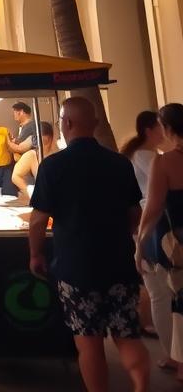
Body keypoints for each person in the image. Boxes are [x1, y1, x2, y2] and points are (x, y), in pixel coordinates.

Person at [30, 97, 147, 392]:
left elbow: (37, 221)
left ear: (66, 124)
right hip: (120, 264)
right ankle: (141, 386)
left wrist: (36, 254)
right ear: (94, 124)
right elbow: (135, 214)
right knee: (128, 336)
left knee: (89, 343)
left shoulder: (53, 166)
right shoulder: (120, 163)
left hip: (76, 268)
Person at [124, 109, 175, 369]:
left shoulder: (153, 157)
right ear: (150, 130)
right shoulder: (148, 157)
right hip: (160, 229)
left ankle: (171, 353)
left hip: (154, 230)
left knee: (160, 293)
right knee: (163, 293)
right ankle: (172, 352)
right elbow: (154, 201)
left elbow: (152, 202)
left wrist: (139, 241)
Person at [137, 103, 183, 382]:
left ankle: (181, 366)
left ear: (166, 128)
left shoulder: (164, 161)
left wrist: (139, 243)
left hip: (178, 243)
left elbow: (153, 207)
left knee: (179, 302)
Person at [11, 121, 59, 194]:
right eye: (40, 142)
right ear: (35, 141)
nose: (43, 146)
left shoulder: (60, 154)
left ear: (52, 138)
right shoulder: (32, 155)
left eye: (46, 142)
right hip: (44, 197)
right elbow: (15, 176)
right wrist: (31, 191)